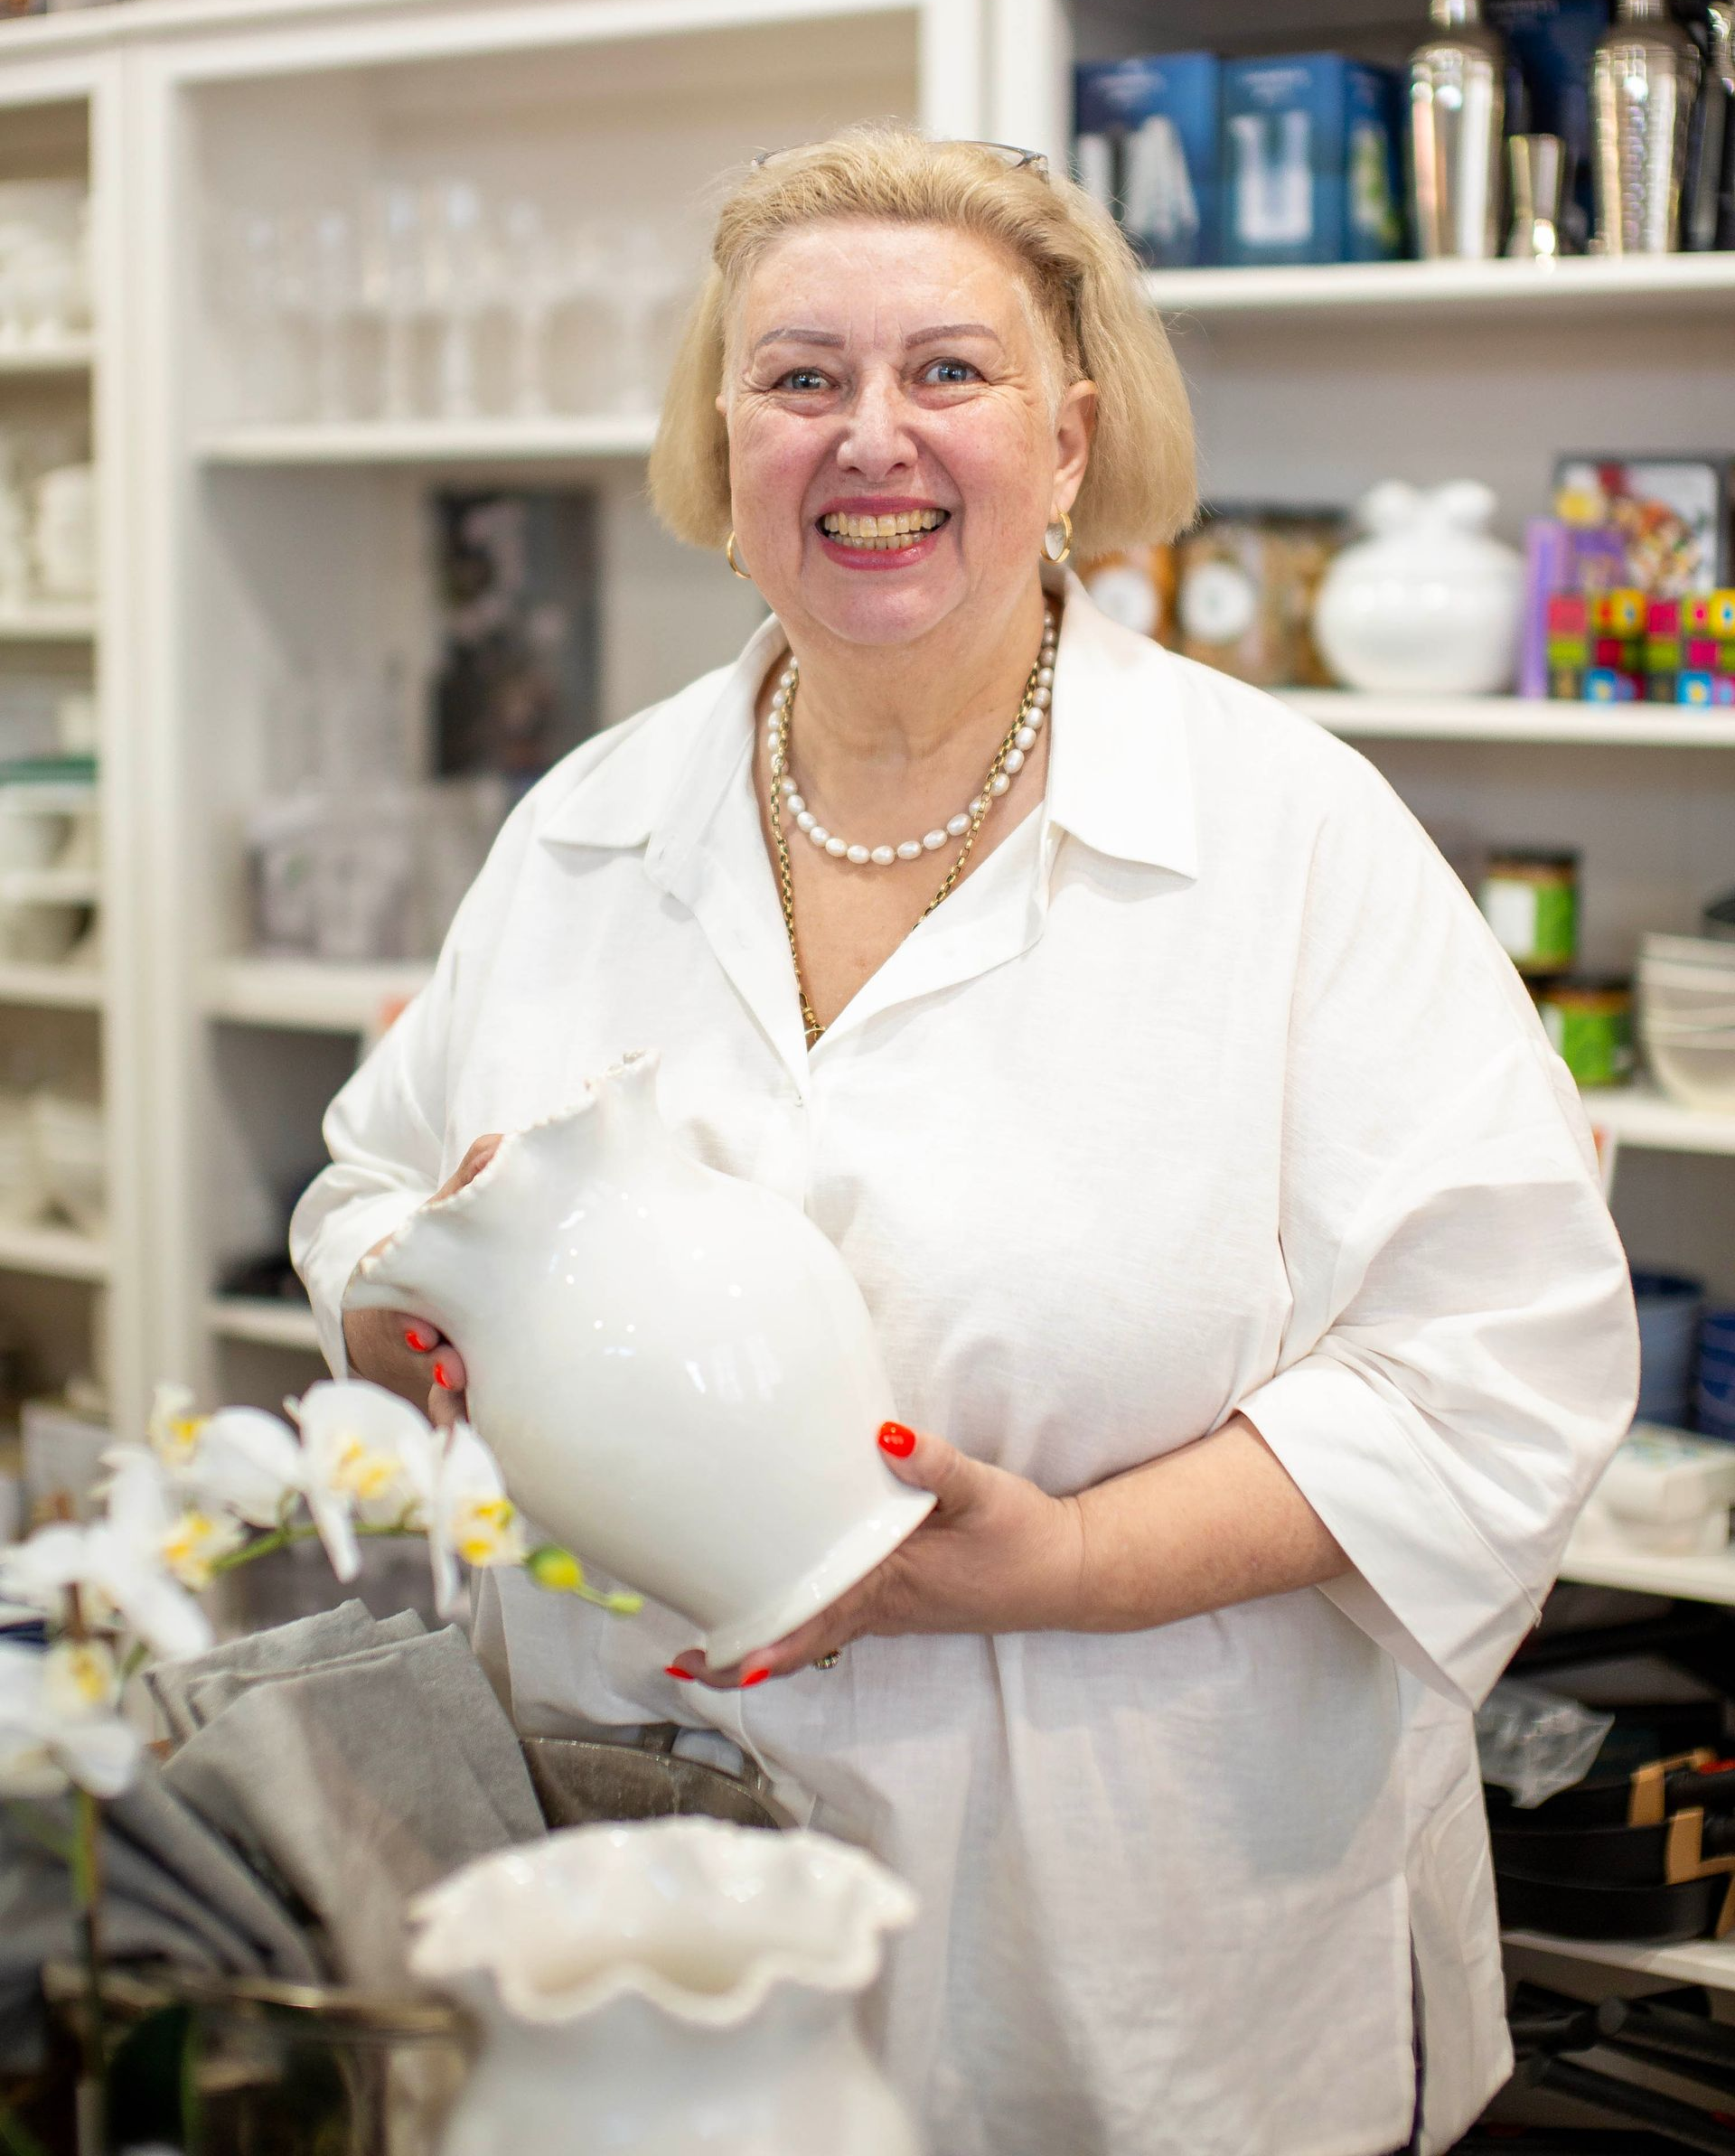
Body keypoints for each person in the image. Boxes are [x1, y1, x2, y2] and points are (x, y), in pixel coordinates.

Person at [292, 127, 1638, 2156]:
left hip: (1137, 1932)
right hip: (665, 1908)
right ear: (725, 437)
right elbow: (361, 1197)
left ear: (1071, 436)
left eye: (949, 372)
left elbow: (1499, 1358)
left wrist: (1078, 1559)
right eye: (801, 378)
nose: (870, 440)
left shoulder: (1287, 832)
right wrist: (430, 1320)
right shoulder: (584, 822)